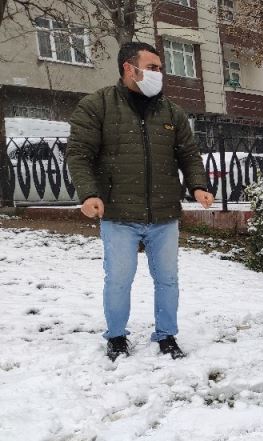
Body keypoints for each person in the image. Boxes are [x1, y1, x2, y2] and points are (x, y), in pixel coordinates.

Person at [67, 41, 214, 361]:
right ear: (128, 68)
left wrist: (198, 185)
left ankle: (166, 335)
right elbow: (79, 154)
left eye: (160, 68)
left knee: (168, 279)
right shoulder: (98, 105)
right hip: (118, 213)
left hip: (164, 215)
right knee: (118, 279)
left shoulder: (171, 111)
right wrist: (89, 193)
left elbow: (188, 155)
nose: (159, 74)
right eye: (153, 68)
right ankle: (117, 336)